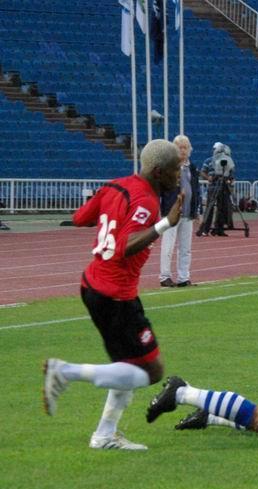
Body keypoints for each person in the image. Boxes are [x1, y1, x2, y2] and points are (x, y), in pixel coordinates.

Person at [42, 139, 184, 451]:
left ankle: (105, 434)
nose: (179, 175)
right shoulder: (146, 201)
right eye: (175, 169)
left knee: (128, 364)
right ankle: (64, 372)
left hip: (93, 285)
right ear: (158, 172)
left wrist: (112, 210)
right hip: (115, 296)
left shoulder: (114, 186)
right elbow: (124, 247)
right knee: (150, 371)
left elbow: (80, 218)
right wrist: (165, 223)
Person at [160, 134, 201, 288]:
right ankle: (165, 276)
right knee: (168, 246)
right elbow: (161, 189)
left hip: (188, 213)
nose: (183, 150)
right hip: (171, 213)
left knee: (185, 248)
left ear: (189, 149)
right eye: (179, 147)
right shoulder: (168, 167)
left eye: (185, 147)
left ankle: (184, 277)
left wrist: (197, 210)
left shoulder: (192, 167)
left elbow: (196, 190)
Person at [198, 141, 235, 236]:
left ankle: (219, 229)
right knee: (209, 208)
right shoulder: (208, 161)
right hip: (213, 186)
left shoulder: (228, 161)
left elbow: (231, 173)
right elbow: (202, 172)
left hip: (224, 186)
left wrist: (230, 180)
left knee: (222, 208)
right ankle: (205, 229)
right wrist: (208, 178)